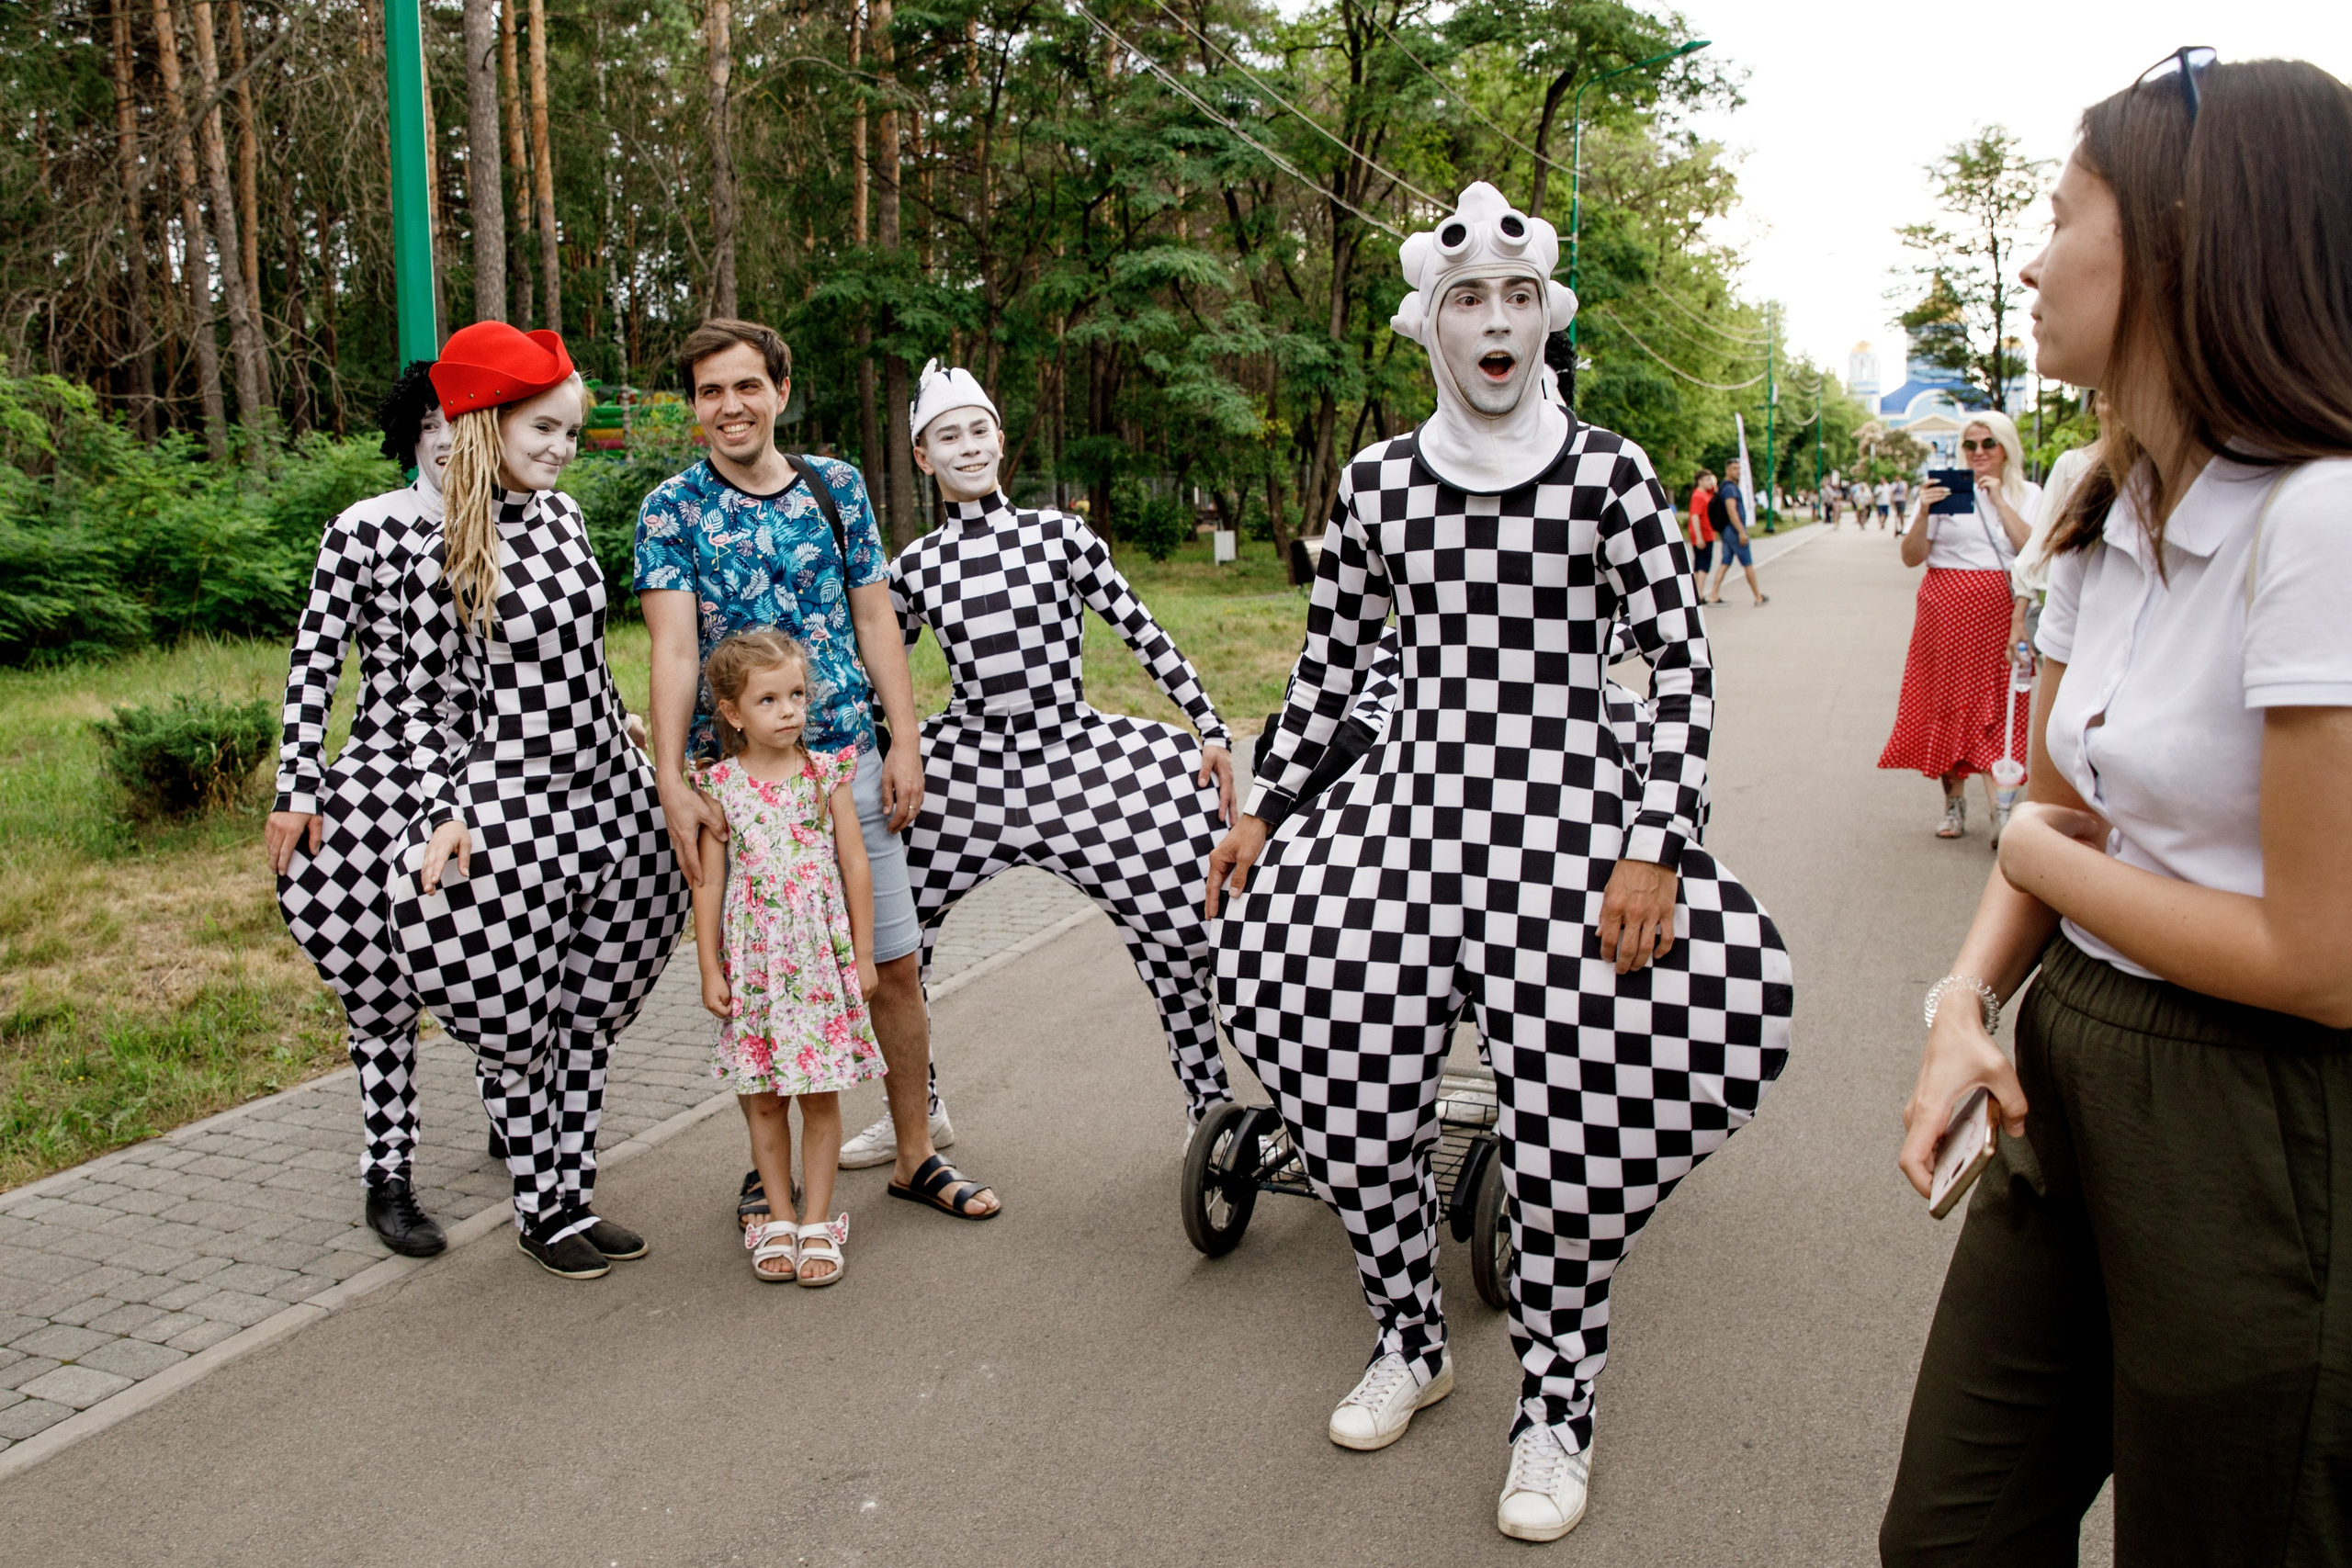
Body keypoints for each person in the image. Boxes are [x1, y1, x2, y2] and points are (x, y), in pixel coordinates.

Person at [1206, 181, 1793, 1545]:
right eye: (1469, 298)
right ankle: (1411, 1337)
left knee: (1577, 1117)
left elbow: (1676, 662)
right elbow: (1333, 665)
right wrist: (1262, 801)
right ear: (1430, 322)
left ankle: (1557, 1407)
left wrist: (1656, 843)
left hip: (1568, 815)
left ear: (1545, 321)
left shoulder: (1612, 472)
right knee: (1333, 1055)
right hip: (1410, 809)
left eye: (1519, 299)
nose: (1495, 321)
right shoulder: (1376, 481)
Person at [1881, 54, 2352, 1566]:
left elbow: (2317, 951)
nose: (2030, 258)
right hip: (2070, 1050)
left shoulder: (2322, 517)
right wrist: (1967, 997)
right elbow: (2073, 812)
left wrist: (2024, 846)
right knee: (1949, 1537)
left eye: (2066, 213)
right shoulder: (2102, 491)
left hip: (2253, 1112)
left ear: (2181, 236)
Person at [633, 319, 999, 1221]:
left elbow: (876, 621)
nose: (730, 406)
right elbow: (675, 653)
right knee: (763, 978)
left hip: (847, 765)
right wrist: (674, 778)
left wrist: (904, 741)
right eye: (710, 391)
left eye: (745, 386)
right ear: (695, 407)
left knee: (894, 966)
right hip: (747, 786)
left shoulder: (834, 487)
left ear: (779, 393)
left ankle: (915, 1153)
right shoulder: (670, 511)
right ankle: (772, 1171)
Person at [389, 322, 687, 1280]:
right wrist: (439, 809)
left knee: (589, 1009)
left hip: (606, 788)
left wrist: (628, 738)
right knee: (522, 1020)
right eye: (543, 429)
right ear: (486, 424)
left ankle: (574, 1193)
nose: (561, 449)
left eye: (568, 431)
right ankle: (536, 1208)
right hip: (511, 802)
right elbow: (422, 701)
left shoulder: (559, 520)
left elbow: (587, 658)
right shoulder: (434, 543)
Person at [888, 362, 1238, 1136]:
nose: (968, 447)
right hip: (969, 768)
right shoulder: (913, 567)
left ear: (1002, 441)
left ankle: (1208, 1104)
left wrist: (1209, 727)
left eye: (980, 430)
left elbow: (1141, 630)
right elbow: (888, 678)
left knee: (1170, 931)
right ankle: (917, 1111)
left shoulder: (1060, 536)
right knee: (896, 947)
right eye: (949, 436)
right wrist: (880, 758)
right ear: (924, 456)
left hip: (1074, 758)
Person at [267, 361, 459, 1258]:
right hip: (381, 776)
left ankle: (521, 1126)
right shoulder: (364, 531)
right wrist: (296, 787)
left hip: (486, 774)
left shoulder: (517, 531)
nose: (454, 436)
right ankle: (389, 1174)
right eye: (437, 419)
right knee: (378, 987)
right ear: (413, 430)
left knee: (505, 958)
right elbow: (316, 665)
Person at [691, 630, 884, 1285]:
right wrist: (710, 968)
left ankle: (819, 1221)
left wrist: (862, 954)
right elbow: (710, 883)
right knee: (766, 1099)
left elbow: (855, 865)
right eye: (769, 699)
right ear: (734, 712)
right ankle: (778, 1213)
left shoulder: (824, 773)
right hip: (755, 968)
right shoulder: (719, 784)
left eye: (796, 694)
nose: (789, 710)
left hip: (817, 962)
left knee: (819, 1094)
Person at [1881, 412, 2041, 840]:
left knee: (2000, 706)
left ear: (2006, 446)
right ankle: (1953, 805)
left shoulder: (2028, 493)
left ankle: (2002, 812)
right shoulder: (1944, 493)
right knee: (1946, 703)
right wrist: (1924, 511)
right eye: (1970, 446)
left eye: (1988, 444)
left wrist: (1999, 501)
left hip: (2000, 613)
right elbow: (1912, 557)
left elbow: (2031, 551)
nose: (1979, 453)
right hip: (1943, 610)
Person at [1704, 458, 1769, 605]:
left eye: (1739, 469)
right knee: (1747, 563)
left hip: (1727, 530)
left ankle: (1714, 594)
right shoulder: (1730, 488)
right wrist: (1741, 531)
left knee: (1725, 562)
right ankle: (1758, 596)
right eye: (1734, 468)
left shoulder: (1725, 487)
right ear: (1727, 470)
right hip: (1733, 530)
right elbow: (1732, 511)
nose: (1737, 471)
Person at [1686, 468, 1718, 591]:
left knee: (1701, 564)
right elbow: (1694, 516)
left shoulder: (1705, 494)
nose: (1709, 482)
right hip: (1703, 534)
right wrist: (1699, 537)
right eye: (1706, 479)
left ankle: (1697, 592)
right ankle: (1699, 593)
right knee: (1703, 565)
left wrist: (1712, 481)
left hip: (1707, 533)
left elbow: (1715, 490)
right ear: (1699, 481)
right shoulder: (1698, 496)